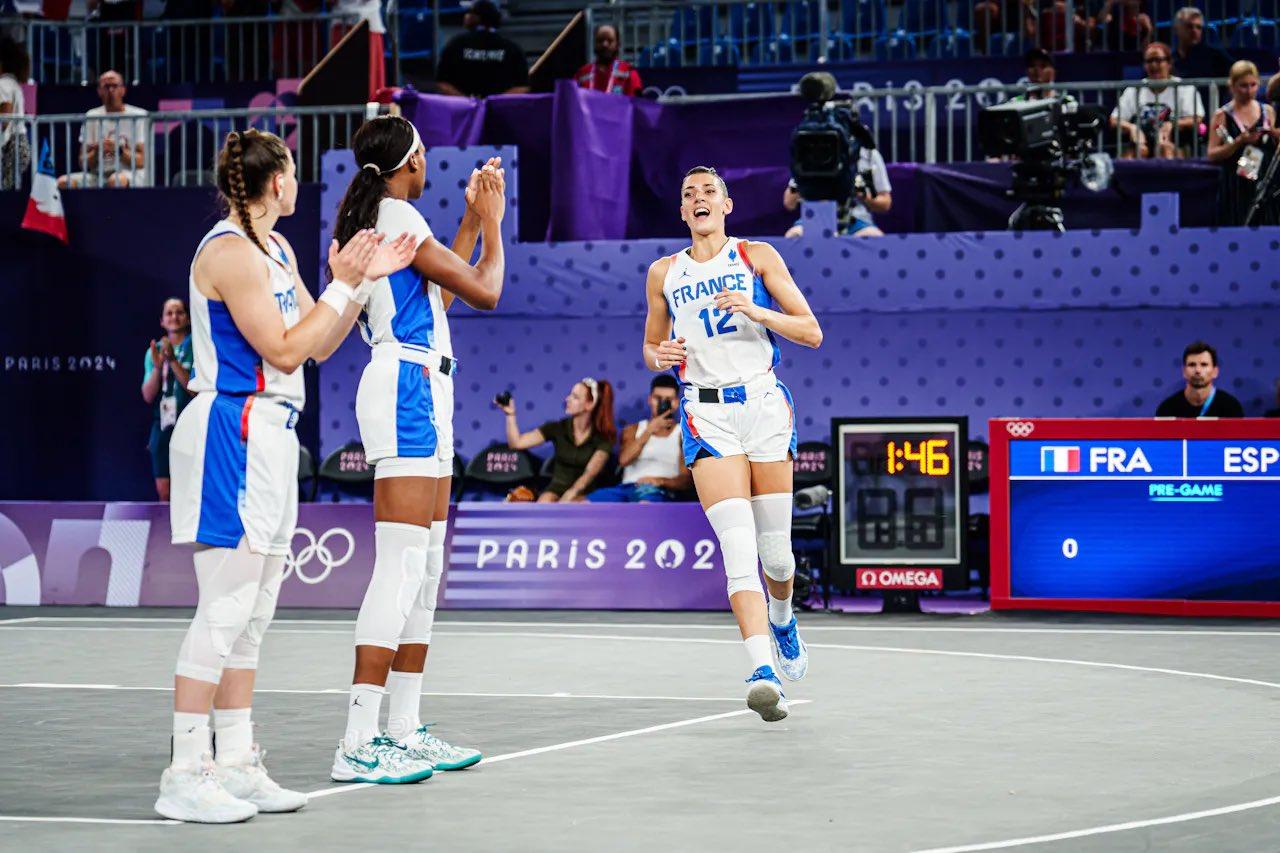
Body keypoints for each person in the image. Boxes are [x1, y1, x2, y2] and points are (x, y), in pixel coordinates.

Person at [159, 128, 415, 823]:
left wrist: (358, 284)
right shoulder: (228, 253)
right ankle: (185, 769)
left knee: (257, 612)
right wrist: (341, 282)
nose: (298, 184)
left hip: (274, 436)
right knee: (225, 608)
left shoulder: (276, 249)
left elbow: (320, 343)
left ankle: (237, 760)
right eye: (295, 173)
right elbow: (281, 345)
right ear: (277, 182)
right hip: (233, 430)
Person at [332, 115, 507, 785]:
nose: (430, 158)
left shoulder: (388, 212)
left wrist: (466, 220)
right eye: (425, 152)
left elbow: (440, 289)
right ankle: (357, 739)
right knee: (403, 566)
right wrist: (492, 218)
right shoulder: (398, 213)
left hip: (422, 382)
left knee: (426, 566)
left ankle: (401, 728)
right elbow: (484, 290)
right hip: (407, 384)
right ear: (409, 162)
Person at [643, 165, 822, 722]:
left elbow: (811, 331)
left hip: (764, 407)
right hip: (707, 414)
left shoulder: (757, 257)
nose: (698, 200)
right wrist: (661, 356)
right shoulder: (663, 272)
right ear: (681, 211)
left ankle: (784, 617)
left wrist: (755, 309)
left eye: (708, 193)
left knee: (777, 554)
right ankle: (762, 670)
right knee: (738, 548)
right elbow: (651, 345)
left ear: (727, 205)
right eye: (688, 194)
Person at [497, 378, 617, 502]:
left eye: (575, 397)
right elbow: (517, 443)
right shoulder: (557, 428)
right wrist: (510, 415)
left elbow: (589, 473)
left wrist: (569, 495)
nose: (568, 399)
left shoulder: (603, 437)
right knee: (544, 503)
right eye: (570, 394)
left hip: (585, 491)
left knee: (576, 506)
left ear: (589, 405)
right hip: (556, 488)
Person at [588, 375, 690, 502]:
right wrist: (648, 431)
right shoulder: (633, 429)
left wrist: (659, 481)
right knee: (585, 503)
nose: (662, 404)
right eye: (657, 398)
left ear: (675, 403)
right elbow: (624, 460)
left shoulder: (683, 433)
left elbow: (686, 480)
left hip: (658, 490)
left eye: (668, 399)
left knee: (645, 505)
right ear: (650, 399)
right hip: (626, 488)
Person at [1207, 60, 1280, 227]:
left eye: (1253, 85)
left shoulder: (1267, 111)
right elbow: (1212, 153)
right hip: (1236, 182)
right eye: (1243, 86)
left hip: (1265, 178)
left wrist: (1275, 135)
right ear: (1232, 86)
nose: (1249, 91)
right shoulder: (1222, 115)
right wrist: (1239, 142)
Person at [1110, 43, 1205, 159]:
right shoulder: (1134, 89)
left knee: (1165, 149)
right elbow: (1114, 119)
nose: (1154, 65)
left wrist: (1173, 124)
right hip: (1141, 141)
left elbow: (1197, 118)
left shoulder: (1185, 88)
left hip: (1174, 140)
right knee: (1134, 153)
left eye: (1158, 60)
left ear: (1169, 63)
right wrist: (1132, 128)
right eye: (1149, 61)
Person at [141, 298, 194, 501]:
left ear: (187, 318)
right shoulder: (153, 353)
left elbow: (194, 389)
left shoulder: (197, 347)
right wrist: (157, 366)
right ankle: (168, 532)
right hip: (163, 425)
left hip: (190, 424)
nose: (174, 316)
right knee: (165, 491)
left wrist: (172, 360)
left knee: (190, 488)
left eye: (179, 312)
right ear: (162, 321)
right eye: (169, 313)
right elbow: (148, 395)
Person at [59, 70, 148, 188]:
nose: (111, 90)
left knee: (115, 181)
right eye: (106, 86)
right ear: (99, 91)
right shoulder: (92, 116)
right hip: (97, 174)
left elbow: (142, 161)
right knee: (64, 182)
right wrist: (96, 152)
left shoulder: (138, 115)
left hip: (129, 173)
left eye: (115, 86)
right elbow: (83, 162)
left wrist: (118, 150)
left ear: (123, 90)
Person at [783, 144, 892, 239]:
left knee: (874, 238)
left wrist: (860, 193)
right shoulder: (811, 152)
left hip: (857, 221)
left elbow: (885, 203)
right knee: (794, 236)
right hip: (813, 218)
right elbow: (789, 203)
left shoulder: (868, 153)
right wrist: (804, 178)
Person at [435, 0, 529, 98]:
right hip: (498, 109)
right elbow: (522, 86)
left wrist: (468, 103)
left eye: (469, 12)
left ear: (476, 17)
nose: (465, 16)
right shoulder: (512, 48)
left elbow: (442, 82)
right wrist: (495, 102)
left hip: (465, 109)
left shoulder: (456, 44)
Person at [1154, 340, 1245, 417]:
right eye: (1192, 365)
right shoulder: (1167, 409)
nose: (1197, 370)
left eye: (1204, 365)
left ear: (1215, 371)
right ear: (1184, 371)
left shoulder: (1231, 407)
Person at [574, 24, 642, 96]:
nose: (605, 44)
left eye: (610, 41)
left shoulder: (629, 73)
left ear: (617, 45)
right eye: (600, 40)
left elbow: (635, 104)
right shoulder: (582, 74)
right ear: (595, 44)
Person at [0, 39, 30, 191]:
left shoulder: (3, 84)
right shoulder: (12, 83)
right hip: (18, 146)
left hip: (12, 147)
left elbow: (4, 119)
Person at [1172, 7, 1232, 81]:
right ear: (1176, 29)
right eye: (1189, 26)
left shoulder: (1216, 56)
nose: (1194, 30)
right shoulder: (1169, 59)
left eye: (1199, 27)